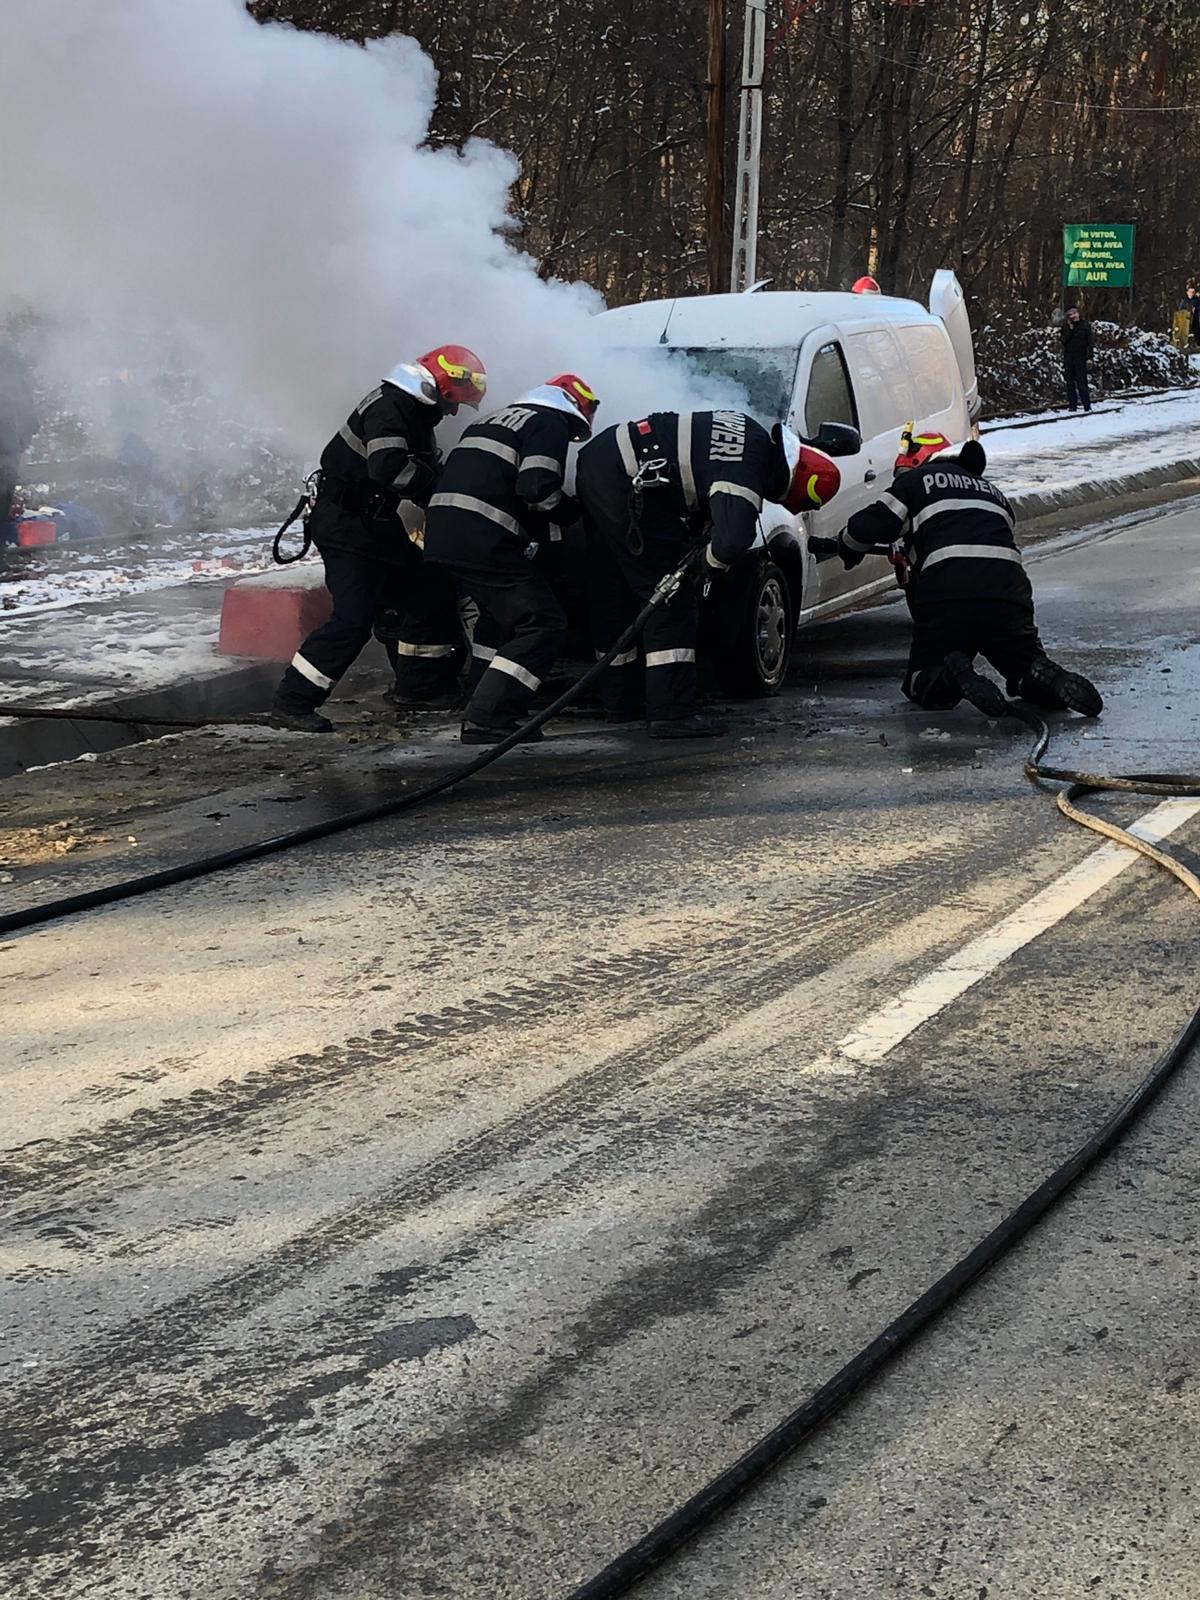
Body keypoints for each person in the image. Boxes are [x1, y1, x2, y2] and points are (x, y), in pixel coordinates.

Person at [575, 410, 841, 737]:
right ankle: (671, 714)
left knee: (614, 590)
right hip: (628, 485)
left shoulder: (751, 434)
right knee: (671, 599)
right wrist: (704, 569)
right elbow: (732, 541)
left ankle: (620, 702)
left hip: (601, 461)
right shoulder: (747, 473)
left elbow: (698, 471)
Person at [269, 345, 487, 733]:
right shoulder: (391, 407)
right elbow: (391, 469)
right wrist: (442, 488)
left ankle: (420, 688)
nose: (453, 412)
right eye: (453, 403)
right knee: (353, 618)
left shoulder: (409, 410)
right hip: (347, 526)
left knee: (429, 590)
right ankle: (293, 702)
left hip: (375, 525)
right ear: (440, 387)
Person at [816, 430, 1102, 720]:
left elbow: (866, 528)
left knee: (921, 678)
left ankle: (952, 679)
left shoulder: (916, 482)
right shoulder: (994, 492)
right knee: (1021, 662)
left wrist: (847, 547)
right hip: (1009, 594)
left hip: (949, 593)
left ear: (919, 462)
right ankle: (1040, 678)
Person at [423, 373, 599, 744]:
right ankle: (489, 717)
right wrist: (573, 513)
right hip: (481, 537)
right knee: (543, 623)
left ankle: (479, 698)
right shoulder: (548, 422)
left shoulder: (492, 419)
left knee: (497, 618)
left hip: (443, 534)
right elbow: (537, 487)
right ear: (572, 407)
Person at [0, 337, 38, 565]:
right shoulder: (12, 356)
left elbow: (25, 404)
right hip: (9, 443)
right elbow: (27, 405)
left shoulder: (10, 358)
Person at [1061, 306, 1093, 413]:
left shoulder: (1085, 325)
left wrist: (1089, 357)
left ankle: (1087, 405)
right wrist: (1070, 329)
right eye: (1070, 314)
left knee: (1081, 382)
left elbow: (1090, 343)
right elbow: (1064, 341)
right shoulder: (1066, 327)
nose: (1073, 316)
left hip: (1081, 357)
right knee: (1070, 383)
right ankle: (1072, 406)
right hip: (1069, 357)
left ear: (1078, 313)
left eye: (1074, 313)